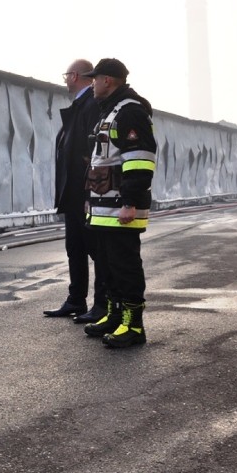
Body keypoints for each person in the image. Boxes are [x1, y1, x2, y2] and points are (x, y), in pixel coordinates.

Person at [80, 58, 157, 348]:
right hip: (104, 210)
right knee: (108, 267)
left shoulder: (131, 112)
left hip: (121, 209)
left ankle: (134, 326)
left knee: (125, 267)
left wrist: (131, 202)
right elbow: (102, 162)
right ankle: (114, 316)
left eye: (95, 79)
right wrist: (90, 202)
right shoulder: (110, 112)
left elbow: (140, 159)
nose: (92, 84)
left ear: (108, 80)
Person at [43, 59, 107, 323]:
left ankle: (102, 305)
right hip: (73, 193)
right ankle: (76, 300)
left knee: (95, 249)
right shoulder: (80, 105)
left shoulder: (90, 105)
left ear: (76, 75)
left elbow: (93, 153)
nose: (64, 79)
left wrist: (88, 193)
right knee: (75, 248)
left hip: (84, 193)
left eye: (66, 74)